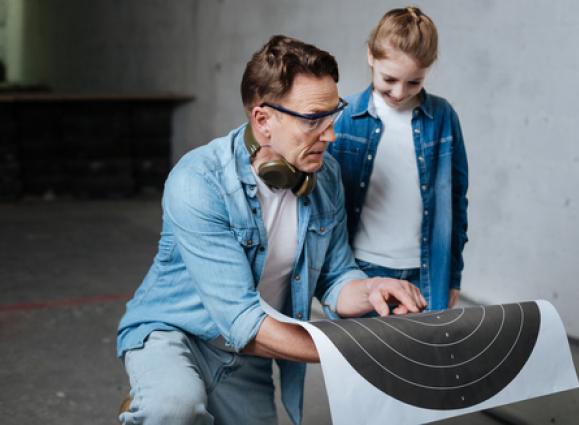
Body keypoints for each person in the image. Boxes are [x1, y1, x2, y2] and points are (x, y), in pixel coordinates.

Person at [116, 35, 426, 425]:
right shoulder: (198, 180)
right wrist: (356, 347)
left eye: (334, 114)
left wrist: (372, 288)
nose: (330, 134)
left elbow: (335, 278)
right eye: (314, 119)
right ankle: (156, 403)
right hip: (176, 336)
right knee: (175, 408)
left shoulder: (324, 175)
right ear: (263, 120)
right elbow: (242, 320)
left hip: (247, 355)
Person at [329, 6, 469, 311]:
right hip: (359, 270)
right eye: (389, 78)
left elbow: (457, 201)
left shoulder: (443, 117)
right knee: (357, 358)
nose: (399, 92)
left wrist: (453, 275)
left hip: (426, 274)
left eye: (414, 82)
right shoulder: (344, 116)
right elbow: (321, 201)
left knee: (421, 359)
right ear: (370, 55)